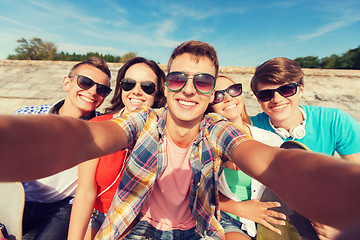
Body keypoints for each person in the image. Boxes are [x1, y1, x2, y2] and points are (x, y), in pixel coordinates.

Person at [1, 41, 360, 239]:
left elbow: (270, 161)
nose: (189, 89)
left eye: (203, 82)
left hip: (200, 230)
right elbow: (88, 137)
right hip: (137, 225)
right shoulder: (142, 122)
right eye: (178, 79)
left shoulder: (217, 130)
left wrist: (344, 192)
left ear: (211, 92)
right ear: (166, 85)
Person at [250, 57, 360, 239]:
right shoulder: (249, 128)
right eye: (266, 94)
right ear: (258, 99)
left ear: (301, 89)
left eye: (286, 89)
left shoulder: (335, 121)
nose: (277, 99)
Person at [68, 57, 166, 240]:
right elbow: (85, 192)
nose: (136, 91)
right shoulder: (98, 126)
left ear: (157, 93)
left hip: (140, 222)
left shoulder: (165, 135)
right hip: (97, 216)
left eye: (147, 87)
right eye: (129, 84)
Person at [14, 57, 112, 240]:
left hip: (63, 207)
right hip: (19, 199)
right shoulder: (27, 116)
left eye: (102, 89)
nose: (92, 92)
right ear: (67, 82)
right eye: (85, 82)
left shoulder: (103, 129)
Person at [208, 75, 285, 240]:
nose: (228, 98)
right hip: (226, 218)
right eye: (218, 96)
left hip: (268, 218)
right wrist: (240, 208)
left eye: (233, 90)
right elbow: (196, 193)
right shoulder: (204, 144)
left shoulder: (270, 140)